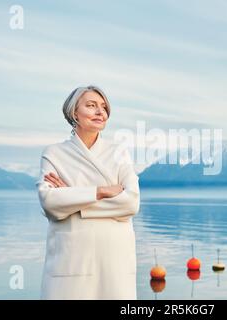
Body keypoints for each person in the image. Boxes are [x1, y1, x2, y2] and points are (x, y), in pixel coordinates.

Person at [36, 85, 140, 299]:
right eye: (91, 106)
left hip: (115, 258)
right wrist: (100, 191)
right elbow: (50, 202)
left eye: (104, 107)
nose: (100, 112)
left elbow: (130, 204)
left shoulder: (119, 153)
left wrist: (73, 198)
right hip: (71, 256)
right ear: (74, 112)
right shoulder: (54, 154)